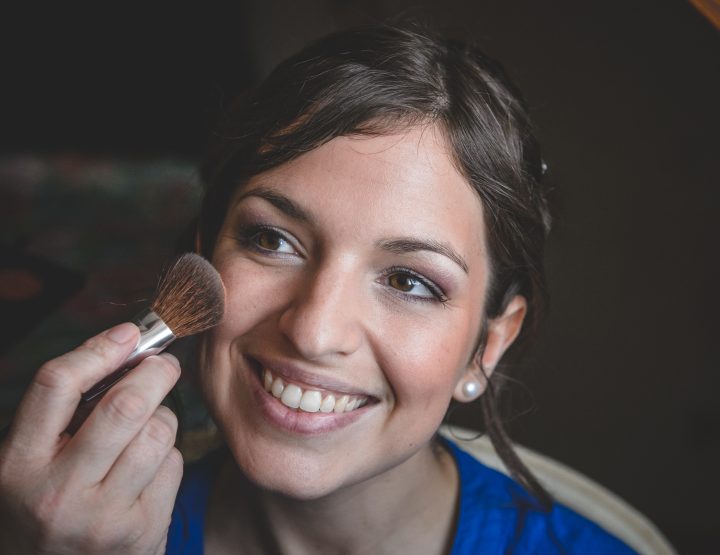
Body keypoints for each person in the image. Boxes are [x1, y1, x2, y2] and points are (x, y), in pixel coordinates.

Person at [0, 22, 637, 554]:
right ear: (201, 253)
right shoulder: (73, 531)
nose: (313, 330)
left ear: (486, 346)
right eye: (272, 241)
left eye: (410, 280)